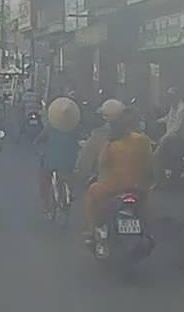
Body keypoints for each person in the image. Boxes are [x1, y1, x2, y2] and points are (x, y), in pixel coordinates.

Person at [85, 108, 154, 239]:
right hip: (139, 187)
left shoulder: (112, 144)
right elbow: (150, 162)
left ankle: (93, 230)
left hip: (114, 188)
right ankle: (146, 229)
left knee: (92, 192)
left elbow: (102, 163)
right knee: (145, 204)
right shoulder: (144, 141)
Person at [35, 98, 83, 216]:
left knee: (44, 179)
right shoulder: (75, 128)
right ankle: (70, 192)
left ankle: (46, 206)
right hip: (69, 160)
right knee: (70, 175)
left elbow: (38, 140)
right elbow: (81, 140)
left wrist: (39, 149)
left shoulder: (50, 127)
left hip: (51, 161)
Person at [77, 99, 127, 182]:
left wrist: (80, 178)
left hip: (106, 183)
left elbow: (84, 163)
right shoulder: (137, 135)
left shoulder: (98, 135)